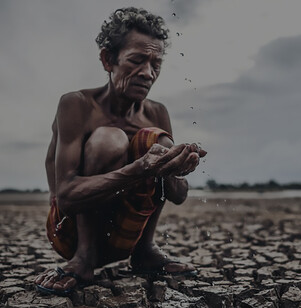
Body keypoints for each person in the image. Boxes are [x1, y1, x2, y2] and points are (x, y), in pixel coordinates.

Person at [34, 7, 206, 296]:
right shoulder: (77, 106)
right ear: (107, 60)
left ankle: (145, 251)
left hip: (127, 231)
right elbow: (66, 197)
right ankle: (85, 259)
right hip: (70, 233)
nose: (148, 73)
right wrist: (140, 169)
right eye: (137, 61)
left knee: (159, 144)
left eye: (156, 64)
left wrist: (176, 167)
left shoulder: (157, 113)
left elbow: (178, 195)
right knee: (108, 140)